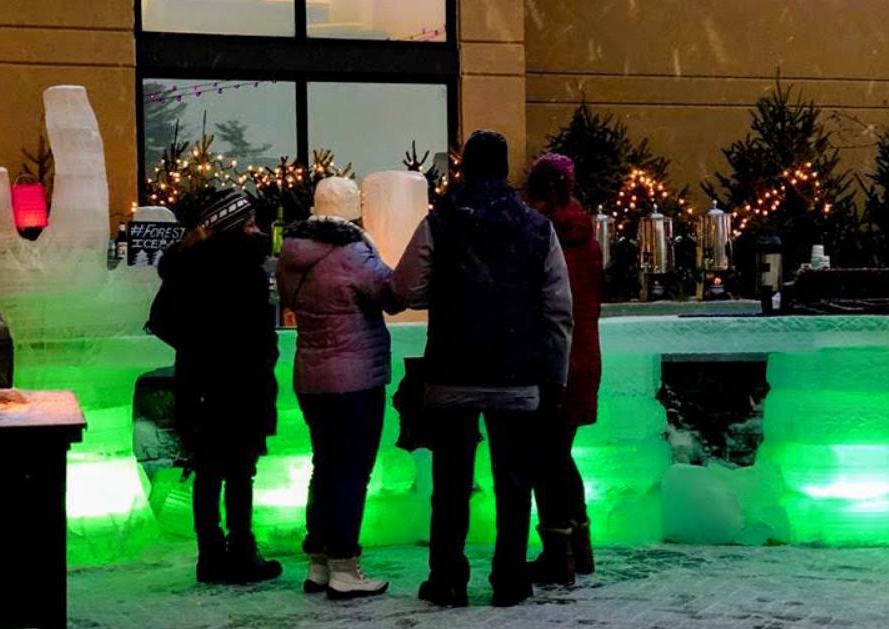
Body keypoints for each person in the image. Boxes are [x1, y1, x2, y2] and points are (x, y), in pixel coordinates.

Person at [392, 129, 573, 607]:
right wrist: (554, 377)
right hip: (517, 376)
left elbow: (406, 288)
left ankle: (447, 578)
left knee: (450, 486)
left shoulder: (441, 221)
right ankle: (510, 579)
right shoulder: (536, 227)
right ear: (506, 168)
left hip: (451, 372)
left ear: (464, 168)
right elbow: (558, 309)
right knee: (514, 484)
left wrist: (449, 295)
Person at [147, 189, 282, 585]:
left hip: (199, 382)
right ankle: (241, 550)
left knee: (208, 469)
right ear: (233, 227)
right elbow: (257, 335)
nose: (256, 229)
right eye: (249, 222)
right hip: (241, 385)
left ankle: (210, 555)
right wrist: (250, 358)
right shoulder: (246, 272)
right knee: (240, 471)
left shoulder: (185, 271)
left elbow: (161, 321)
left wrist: (196, 349)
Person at [277, 183, 396, 600]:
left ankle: (319, 562)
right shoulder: (353, 254)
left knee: (325, 467)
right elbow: (391, 294)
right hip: (355, 378)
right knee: (351, 472)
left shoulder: (292, 255)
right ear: (354, 211)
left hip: (312, 379)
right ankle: (346, 565)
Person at [523, 153, 602, 585]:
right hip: (586, 356)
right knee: (560, 454)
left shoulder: (545, 238)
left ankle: (559, 553)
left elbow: (548, 306)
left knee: (545, 458)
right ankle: (580, 545)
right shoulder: (585, 236)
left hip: (555, 359)